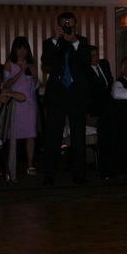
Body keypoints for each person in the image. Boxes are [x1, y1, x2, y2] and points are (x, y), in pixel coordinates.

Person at [41, 11, 91, 185]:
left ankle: (79, 175)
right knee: (53, 136)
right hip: (57, 95)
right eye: (64, 25)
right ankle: (49, 175)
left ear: (75, 26)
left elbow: (86, 61)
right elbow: (46, 60)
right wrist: (56, 39)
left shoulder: (81, 41)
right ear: (59, 26)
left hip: (77, 95)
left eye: (71, 25)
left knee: (78, 136)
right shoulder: (50, 42)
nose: (68, 28)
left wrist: (74, 41)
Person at [3, 37, 40, 176]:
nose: (22, 51)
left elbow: (33, 88)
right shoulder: (9, 64)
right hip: (15, 104)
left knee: (30, 135)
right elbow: (6, 85)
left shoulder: (30, 65)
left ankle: (30, 165)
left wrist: (35, 77)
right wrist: (20, 72)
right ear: (15, 49)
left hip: (29, 104)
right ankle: (10, 165)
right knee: (12, 136)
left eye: (25, 48)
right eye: (19, 48)